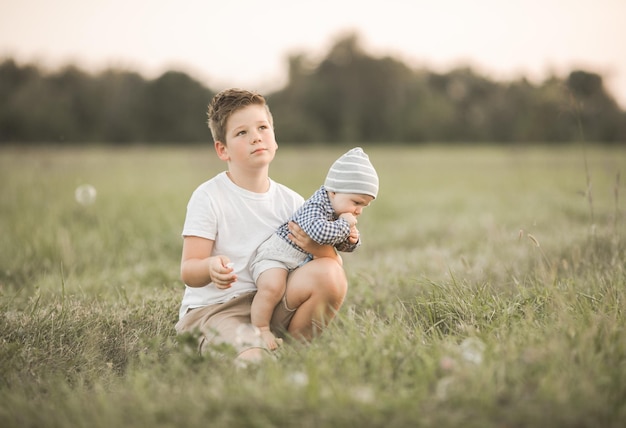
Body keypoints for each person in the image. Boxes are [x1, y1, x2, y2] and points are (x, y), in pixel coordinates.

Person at [175, 88, 348, 363]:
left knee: (330, 274)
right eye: (241, 133)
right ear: (223, 149)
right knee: (255, 364)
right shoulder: (209, 196)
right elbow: (188, 269)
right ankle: (253, 353)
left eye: (263, 127)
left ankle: (293, 352)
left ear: (274, 138)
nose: (256, 136)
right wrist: (209, 267)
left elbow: (331, 264)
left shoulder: (292, 202)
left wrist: (322, 247)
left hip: (270, 303)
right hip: (218, 311)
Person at [249, 147, 379, 349]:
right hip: (275, 257)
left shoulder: (338, 209)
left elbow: (333, 241)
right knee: (272, 287)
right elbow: (320, 234)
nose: (358, 211)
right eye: (356, 202)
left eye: (364, 206)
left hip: (297, 264)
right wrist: (345, 225)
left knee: (296, 283)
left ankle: (296, 342)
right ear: (334, 191)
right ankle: (260, 329)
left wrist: (351, 240)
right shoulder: (316, 206)